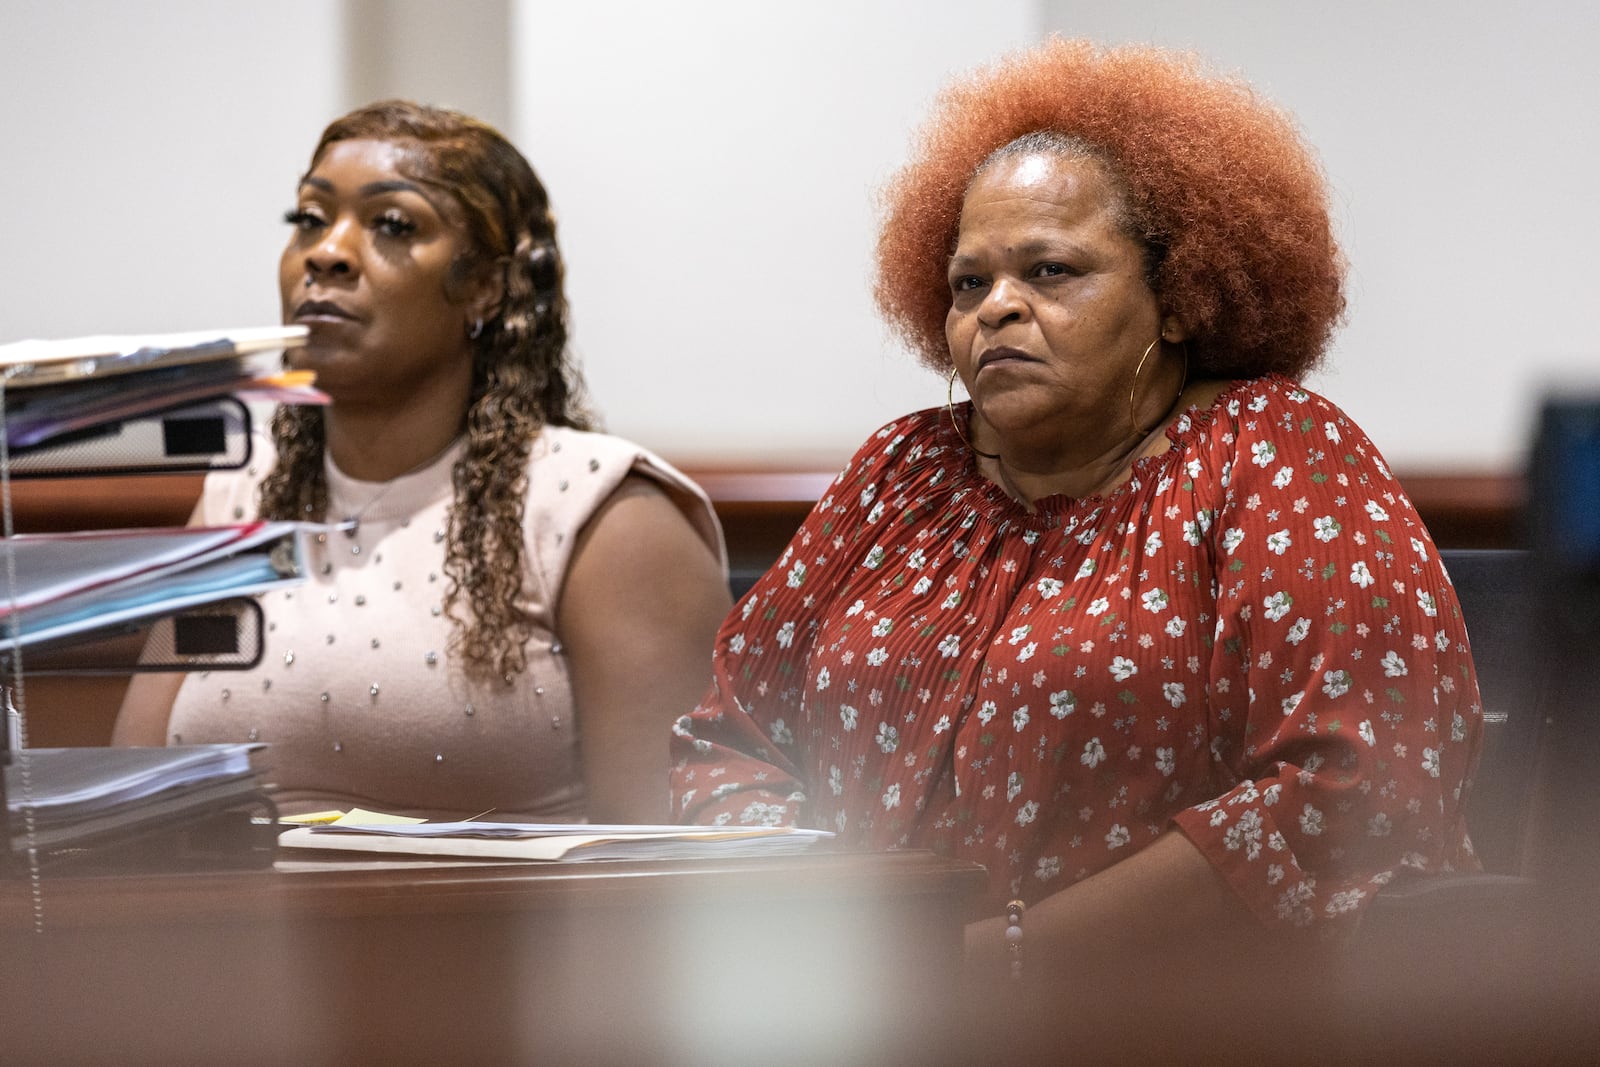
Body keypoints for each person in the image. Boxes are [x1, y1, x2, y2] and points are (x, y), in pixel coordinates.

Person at [669, 39, 1483, 984]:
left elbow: (1348, 790)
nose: (996, 310)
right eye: (969, 282)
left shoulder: (1275, 452)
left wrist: (998, 966)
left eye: (1050, 272)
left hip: (1185, 1018)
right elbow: (729, 738)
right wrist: (820, 941)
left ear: (1177, 298)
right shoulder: (901, 470)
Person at [114, 101, 732, 824]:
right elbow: (130, 800)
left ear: (484, 287)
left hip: (491, 938)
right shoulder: (241, 493)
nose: (327, 252)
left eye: (393, 225)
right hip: (221, 935)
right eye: (310, 218)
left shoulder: (600, 513)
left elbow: (667, 871)